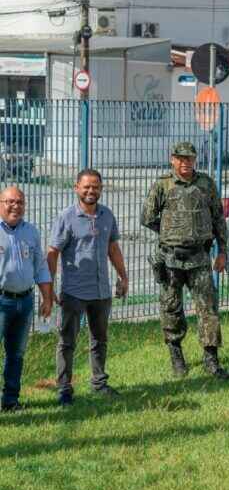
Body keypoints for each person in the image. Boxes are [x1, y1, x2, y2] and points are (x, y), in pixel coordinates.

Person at [141, 142, 229, 380]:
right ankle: (177, 358)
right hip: (170, 259)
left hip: (199, 258)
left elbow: (218, 218)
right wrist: (171, 231)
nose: (185, 163)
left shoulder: (206, 184)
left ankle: (211, 360)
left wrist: (222, 251)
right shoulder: (162, 185)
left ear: (195, 160)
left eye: (189, 159)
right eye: (180, 158)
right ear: (173, 159)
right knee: (171, 309)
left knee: (208, 309)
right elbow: (147, 217)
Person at [47, 169, 128, 407]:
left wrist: (123, 277)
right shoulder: (66, 217)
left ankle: (99, 383)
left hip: (101, 292)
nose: (91, 191)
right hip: (74, 292)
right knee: (67, 341)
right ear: (76, 188)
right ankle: (64, 388)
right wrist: (49, 288)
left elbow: (113, 249)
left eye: (96, 187)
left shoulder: (107, 215)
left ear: (101, 189)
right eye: (87, 187)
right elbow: (53, 252)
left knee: (100, 340)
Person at [0, 187, 52, 411]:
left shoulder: (31, 232)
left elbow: (40, 267)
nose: (15, 206)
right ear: (0, 203)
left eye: (20, 202)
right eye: (10, 202)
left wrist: (47, 298)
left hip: (25, 302)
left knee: (17, 354)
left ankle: (11, 401)